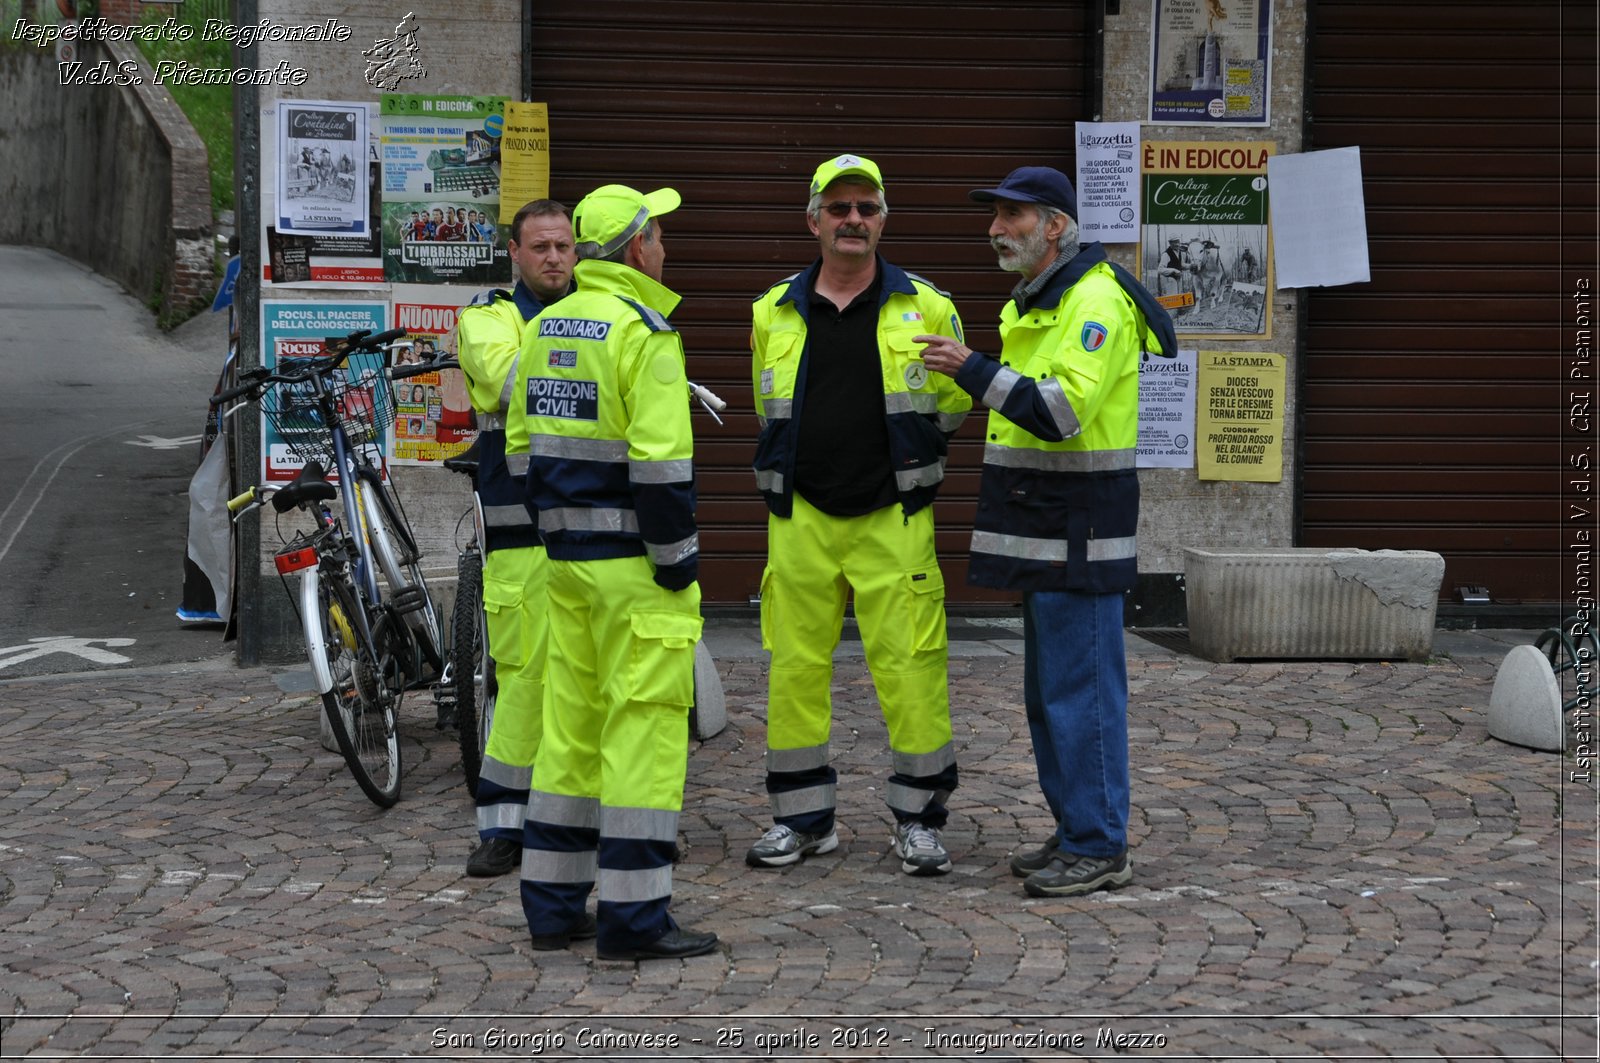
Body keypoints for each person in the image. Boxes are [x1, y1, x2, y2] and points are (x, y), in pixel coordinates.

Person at [917, 166, 1176, 897]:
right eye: (994, 216)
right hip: (1046, 527)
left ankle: (1099, 843)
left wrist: (971, 368)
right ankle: (1075, 831)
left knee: (1082, 693)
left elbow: (1061, 413)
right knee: (1050, 694)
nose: (995, 229)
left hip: (1078, 533)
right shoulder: (1042, 296)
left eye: (1013, 216)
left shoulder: (1094, 299)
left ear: (1056, 225)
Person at [747, 153, 971, 876]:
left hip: (893, 516)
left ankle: (918, 820)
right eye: (838, 208)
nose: (853, 220)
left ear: (883, 220)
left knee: (911, 670)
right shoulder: (771, 309)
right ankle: (804, 821)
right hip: (801, 517)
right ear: (813, 220)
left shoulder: (929, 306)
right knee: (795, 672)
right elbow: (765, 404)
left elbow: (960, 402)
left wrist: (912, 454)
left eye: (866, 208)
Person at [511, 183, 717, 961]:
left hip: (566, 566)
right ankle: (636, 921)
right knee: (643, 739)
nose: (663, 246)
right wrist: (678, 567)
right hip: (636, 572)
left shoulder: (547, 324)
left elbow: (522, 452)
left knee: (569, 736)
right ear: (637, 249)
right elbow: (662, 469)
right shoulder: (646, 333)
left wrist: (562, 533)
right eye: (657, 233)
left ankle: (555, 909)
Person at [454, 199, 577, 878]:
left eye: (563, 246)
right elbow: (505, 379)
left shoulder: (600, 311)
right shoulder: (488, 316)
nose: (553, 258)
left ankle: (582, 822)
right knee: (523, 683)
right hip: (522, 532)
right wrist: (581, 361)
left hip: (591, 530)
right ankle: (502, 825)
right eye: (541, 247)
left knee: (587, 686)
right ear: (515, 251)